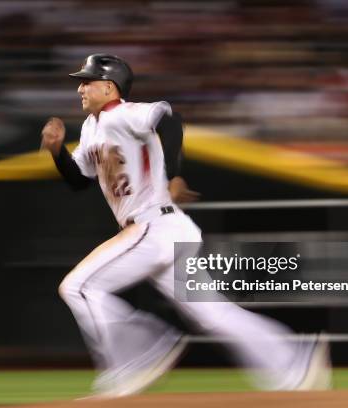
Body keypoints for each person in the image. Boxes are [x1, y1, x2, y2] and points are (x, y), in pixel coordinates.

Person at [40, 54, 330, 398]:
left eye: (87, 82)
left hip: (151, 227)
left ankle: (140, 355)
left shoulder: (125, 113)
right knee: (212, 314)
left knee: (79, 287)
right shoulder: (91, 128)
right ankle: (293, 363)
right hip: (167, 229)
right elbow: (77, 180)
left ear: (108, 87)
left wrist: (175, 173)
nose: (81, 88)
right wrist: (58, 152)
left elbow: (170, 119)